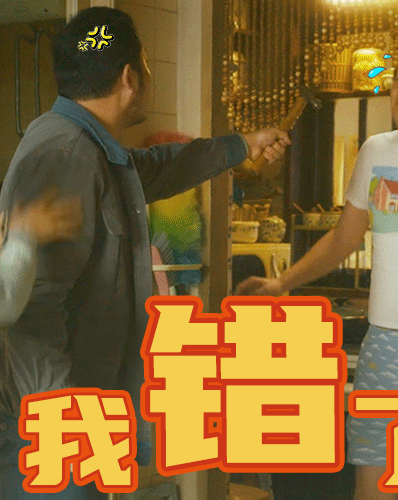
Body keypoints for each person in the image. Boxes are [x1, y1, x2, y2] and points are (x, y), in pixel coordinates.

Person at [0, 7, 290, 499]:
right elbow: (36, 308)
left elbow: (153, 168)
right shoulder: (67, 154)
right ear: (129, 77)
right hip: (56, 425)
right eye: (147, 64)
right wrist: (68, 424)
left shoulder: (86, 147)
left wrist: (241, 146)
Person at [236, 40, 398, 500]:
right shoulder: (376, 150)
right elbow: (343, 239)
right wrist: (281, 282)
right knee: (373, 483)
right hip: (382, 344)